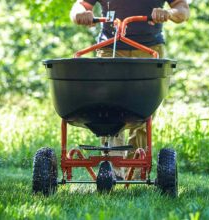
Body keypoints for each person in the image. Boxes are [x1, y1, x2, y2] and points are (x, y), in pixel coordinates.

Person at [70, 0, 190, 179]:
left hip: (149, 49)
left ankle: (136, 172)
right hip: (110, 46)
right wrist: (82, 14)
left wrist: (168, 13)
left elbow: (183, 10)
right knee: (108, 109)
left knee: (143, 112)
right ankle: (113, 170)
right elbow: (79, 6)